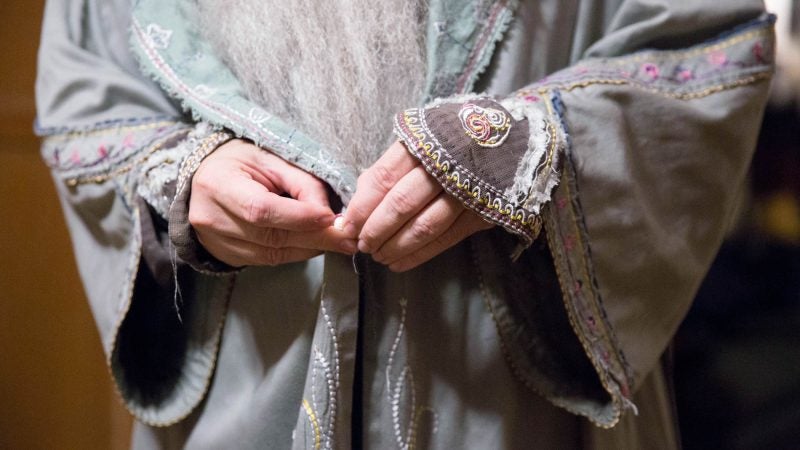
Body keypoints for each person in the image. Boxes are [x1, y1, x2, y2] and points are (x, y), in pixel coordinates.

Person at [36, 0, 774, 448]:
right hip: (244, 390)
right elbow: (88, 94)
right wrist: (181, 179)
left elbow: (706, 51)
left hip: (506, 405)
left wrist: (517, 148)